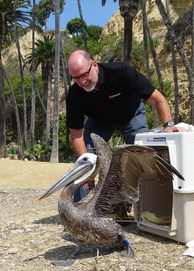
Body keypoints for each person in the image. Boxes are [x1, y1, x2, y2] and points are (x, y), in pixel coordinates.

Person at [66, 49, 187, 201]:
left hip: (131, 115)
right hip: (100, 121)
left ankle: (144, 204)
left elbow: (158, 99)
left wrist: (168, 125)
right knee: (84, 164)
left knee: (142, 156)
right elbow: (76, 134)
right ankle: (78, 212)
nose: (82, 81)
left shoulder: (121, 72)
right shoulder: (74, 94)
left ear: (94, 65)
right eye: (76, 78)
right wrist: (87, 167)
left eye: (84, 74)